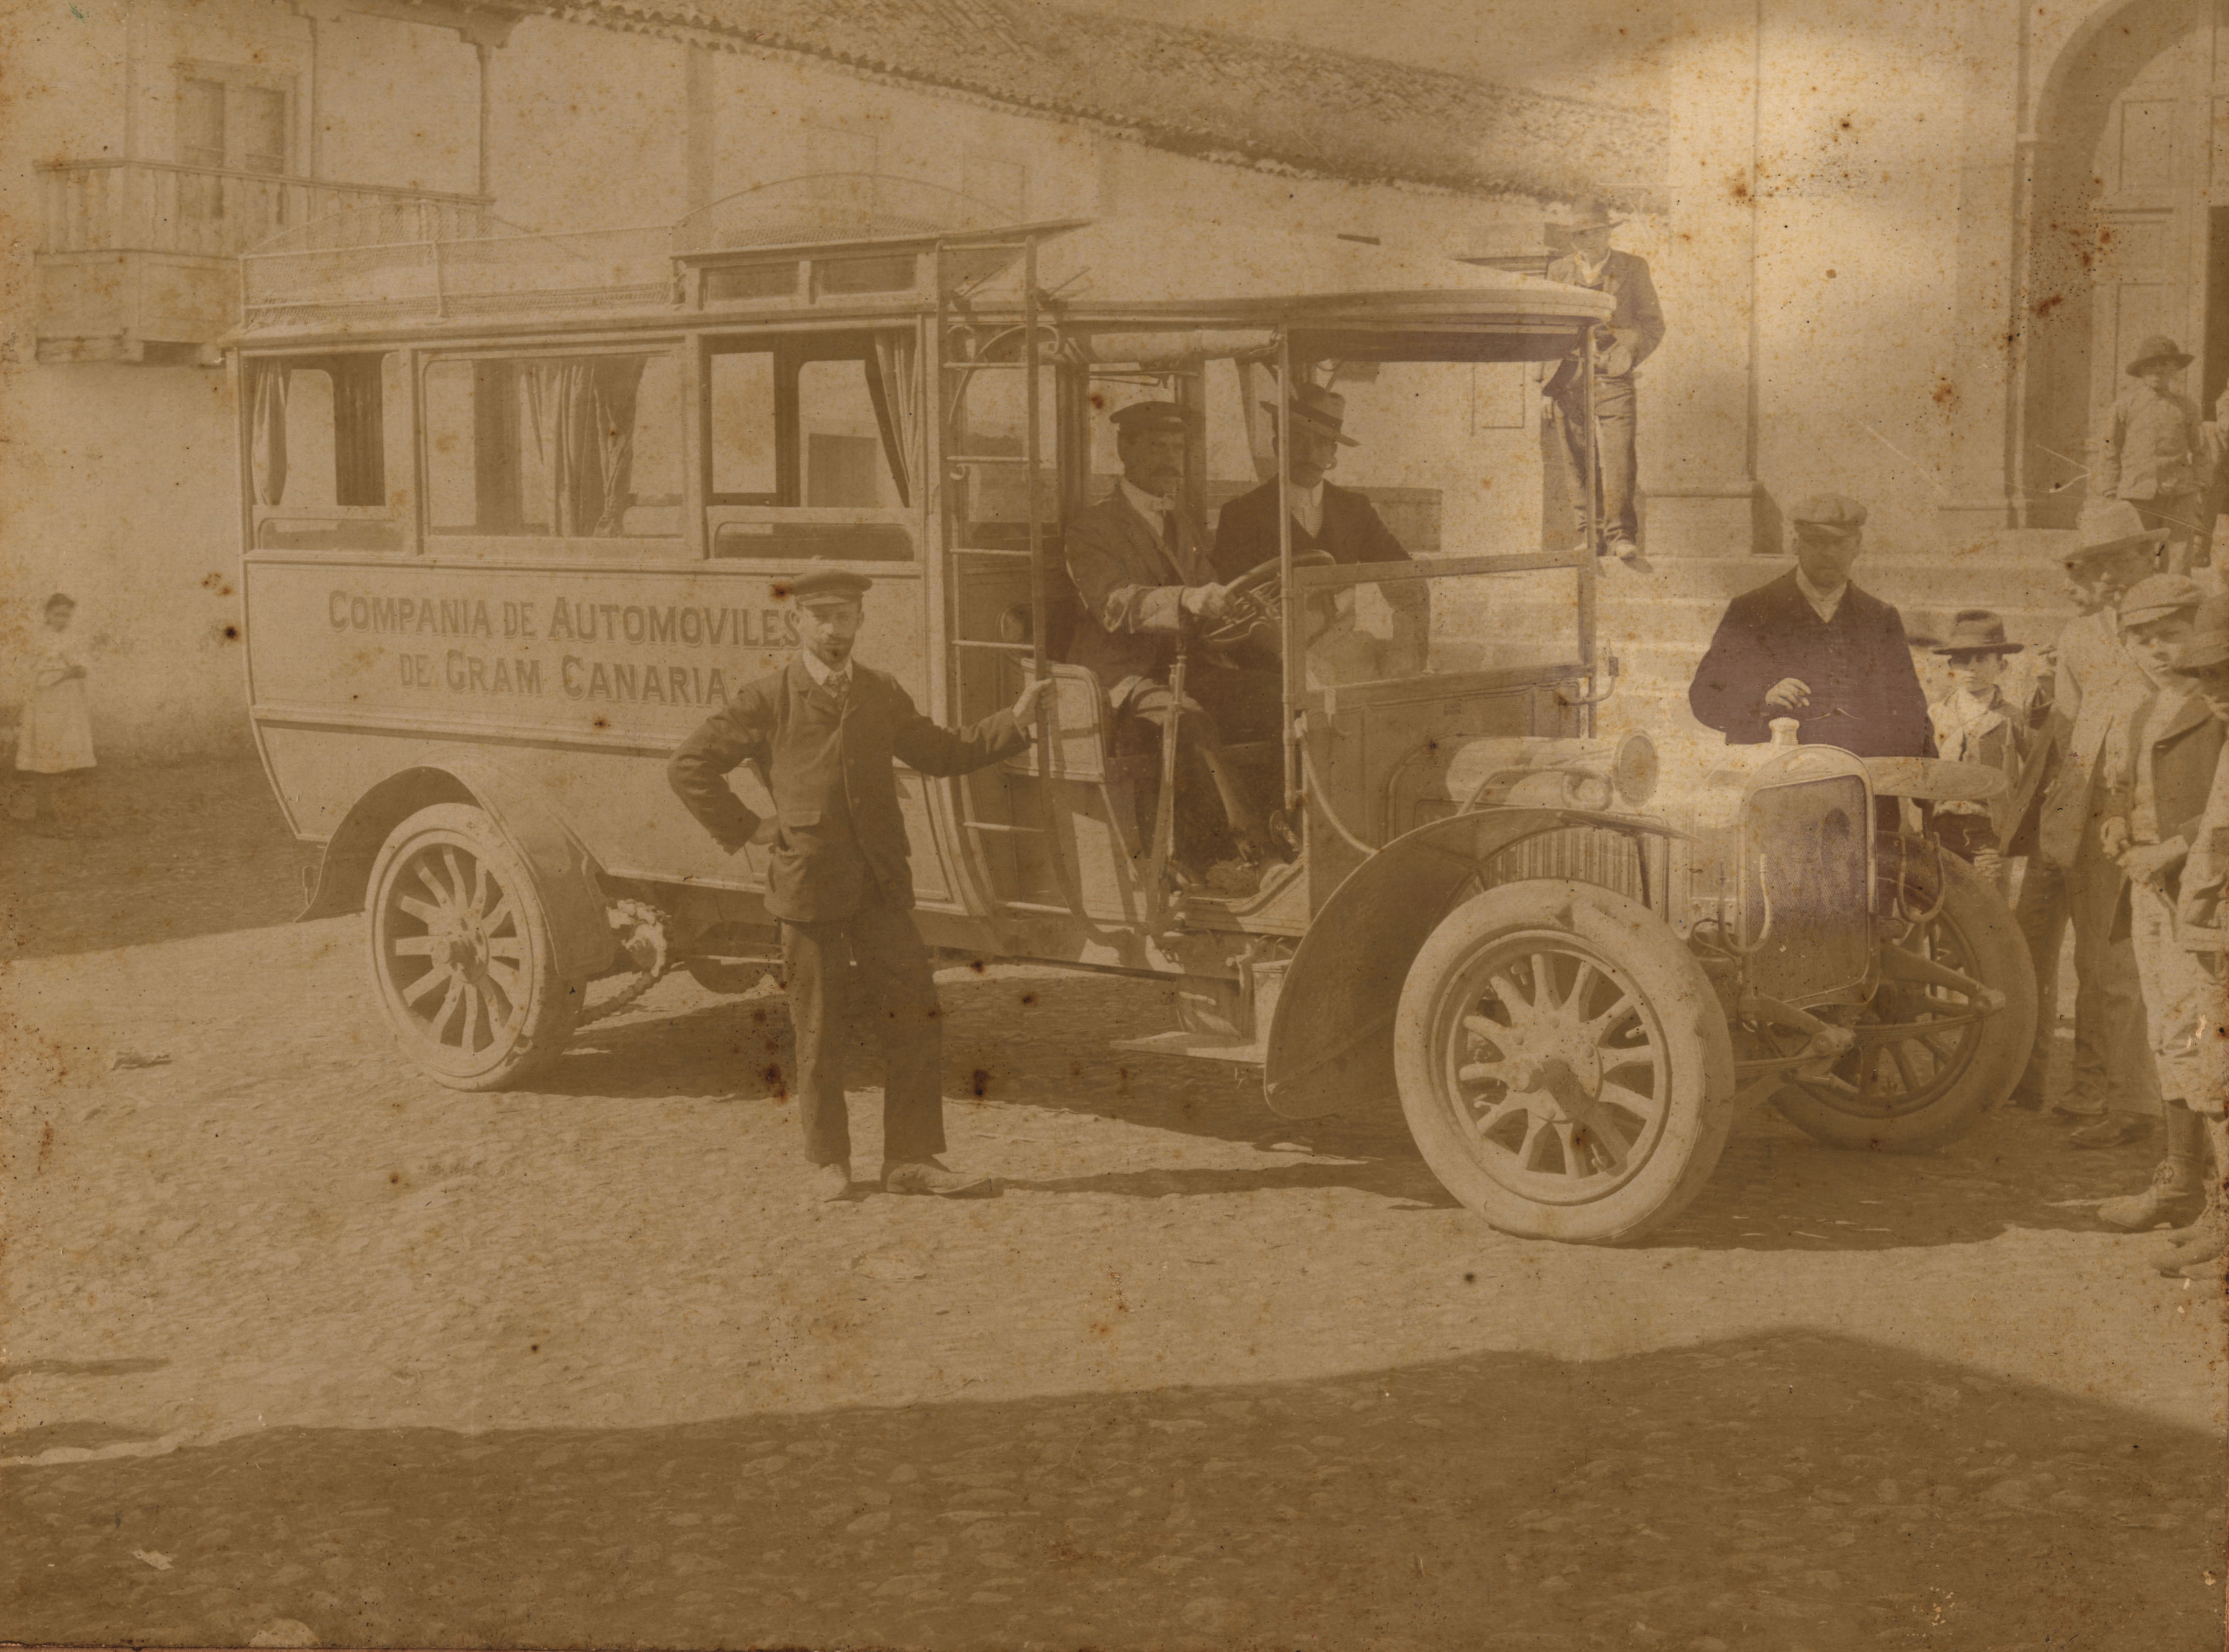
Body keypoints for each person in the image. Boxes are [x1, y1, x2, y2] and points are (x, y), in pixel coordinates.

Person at [667, 567, 1051, 1202]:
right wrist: (748, 827)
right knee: (819, 1027)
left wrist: (1013, 720)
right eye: (820, 616)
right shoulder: (767, 699)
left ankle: (910, 1158)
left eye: (844, 616)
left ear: (861, 622)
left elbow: (942, 751)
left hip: (879, 888)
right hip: (808, 887)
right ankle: (829, 1162)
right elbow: (689, 766)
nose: (833, 629)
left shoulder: (880, 692)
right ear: (796, 623)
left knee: (915, 1018)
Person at [1064, 399, 1285, 882]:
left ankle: (1283, 832)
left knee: (1280, 698)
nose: (1171, 459)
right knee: (1186, 720)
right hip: (1121, 678)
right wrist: (1186, 598)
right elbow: (1112, 603)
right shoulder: (1093, 526)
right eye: (1158, 447)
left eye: (1177, 448)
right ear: (1126, 450)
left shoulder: (1181, 523)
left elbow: (1211, 593)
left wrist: (1243, 615)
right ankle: (1222, 859)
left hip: (1189, 668)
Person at [2006, 502, 2167, 1115]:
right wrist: (2062, 808)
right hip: (2081, 812)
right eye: (2091, 565)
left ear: (2145, 555)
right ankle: (2036, 1082)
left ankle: (2100, 1094)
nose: (2104, 577)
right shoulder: (2077, 638)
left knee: (2107, 964)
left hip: (2142, 810)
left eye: (2114, 561)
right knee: (2056, 952)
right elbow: (2070, 736)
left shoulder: (2171, 630)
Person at [2085, 577, 2225, 1230]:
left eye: (2170, 636)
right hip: (2147, 894)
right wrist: (2114, 821)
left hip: (2201, 895)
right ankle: (2177, 1181)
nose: (2158, 652)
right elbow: (2119, 784)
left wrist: (2170, 848)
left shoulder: (2215, 705)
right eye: (2143, 640)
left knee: (2212, 1036)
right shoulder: (2141, 711)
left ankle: (2215, 1197)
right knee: (2168, 1034)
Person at [1686, 494, 1934, 758]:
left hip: (1863, 776)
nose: (1828, 553)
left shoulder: (1880, 617)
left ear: (1858, 547)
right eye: (1816, 543)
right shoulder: (1752, 611)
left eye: (1840, 543)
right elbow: (1705, 696)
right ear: (1796, 545)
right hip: (1780, 775)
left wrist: (1930, 790)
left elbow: (1910, 707)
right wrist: (1763, 698)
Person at [1211, 382, 1428, 681]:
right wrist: (1295, 662)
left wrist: (1406, 653)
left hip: (1342, 654)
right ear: (1278, 446)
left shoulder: (1355, 509)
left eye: (1322, 443)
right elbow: (1234, 610)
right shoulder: (1241, 513)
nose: (1309, 453)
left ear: (1333, 452)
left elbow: (1406, 581)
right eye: (1297, 440)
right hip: (1273, 662)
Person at [2138, 595, 2229, 1277]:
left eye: (2225, 674)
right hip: (2210, 936)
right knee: (2214, 1083)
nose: (2213, 692)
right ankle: (2218, 1218)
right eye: (2207, 678)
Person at [1542, 197, 1664, 569]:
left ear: (1606, 233)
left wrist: (1629, 352)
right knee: (1576, 457)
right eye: (1579, 235)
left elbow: (1653, 324)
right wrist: (1547, 388)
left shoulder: (1632, 267)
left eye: (1594, 233)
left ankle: (1622, 536)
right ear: (1572, 239)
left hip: (1613, 379)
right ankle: (1589, 535)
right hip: (1568, 380)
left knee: (1618, 456)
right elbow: (1548, 331)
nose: (1587, 241)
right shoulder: (1558, 271)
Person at [1925, 610, 2027, 888]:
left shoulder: (2013, 718)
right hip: (1941, 829)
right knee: (1943, 904)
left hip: (1989, 834)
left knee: (1989, 905)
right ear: (1951, 665)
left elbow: (2034, 772)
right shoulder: (1935, 714)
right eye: (1963, 659)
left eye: (1981, 659)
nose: (1972, 667)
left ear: (2002, 666)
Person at [2096, 334, 2205, 576]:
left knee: (2178, 555)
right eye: (2151, 365)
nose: (2158, 371)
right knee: (2137, 555)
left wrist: (2199, 484)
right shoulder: (2125, 406)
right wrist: (2110, 488)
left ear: (2174, 369)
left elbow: (2201, 450)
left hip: (2179, 492)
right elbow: (2110, 448)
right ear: (2141, 371)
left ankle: (2174, 609)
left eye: (2165, 365)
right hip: (2137, 492)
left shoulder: (2187, 407)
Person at [15, 593, 96, 834]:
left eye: (67, 615)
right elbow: (36, 674)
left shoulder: (71, 639)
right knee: (45, 753)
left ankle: (56, 811)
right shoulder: (39, 640)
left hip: (68, 706)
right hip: (46, 705)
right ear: (48, 614)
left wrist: (78, 670)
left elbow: (83, 666)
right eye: (58, 614)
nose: (62, 619)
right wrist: (65, 673)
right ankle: (44, 812)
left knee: (65, 755)